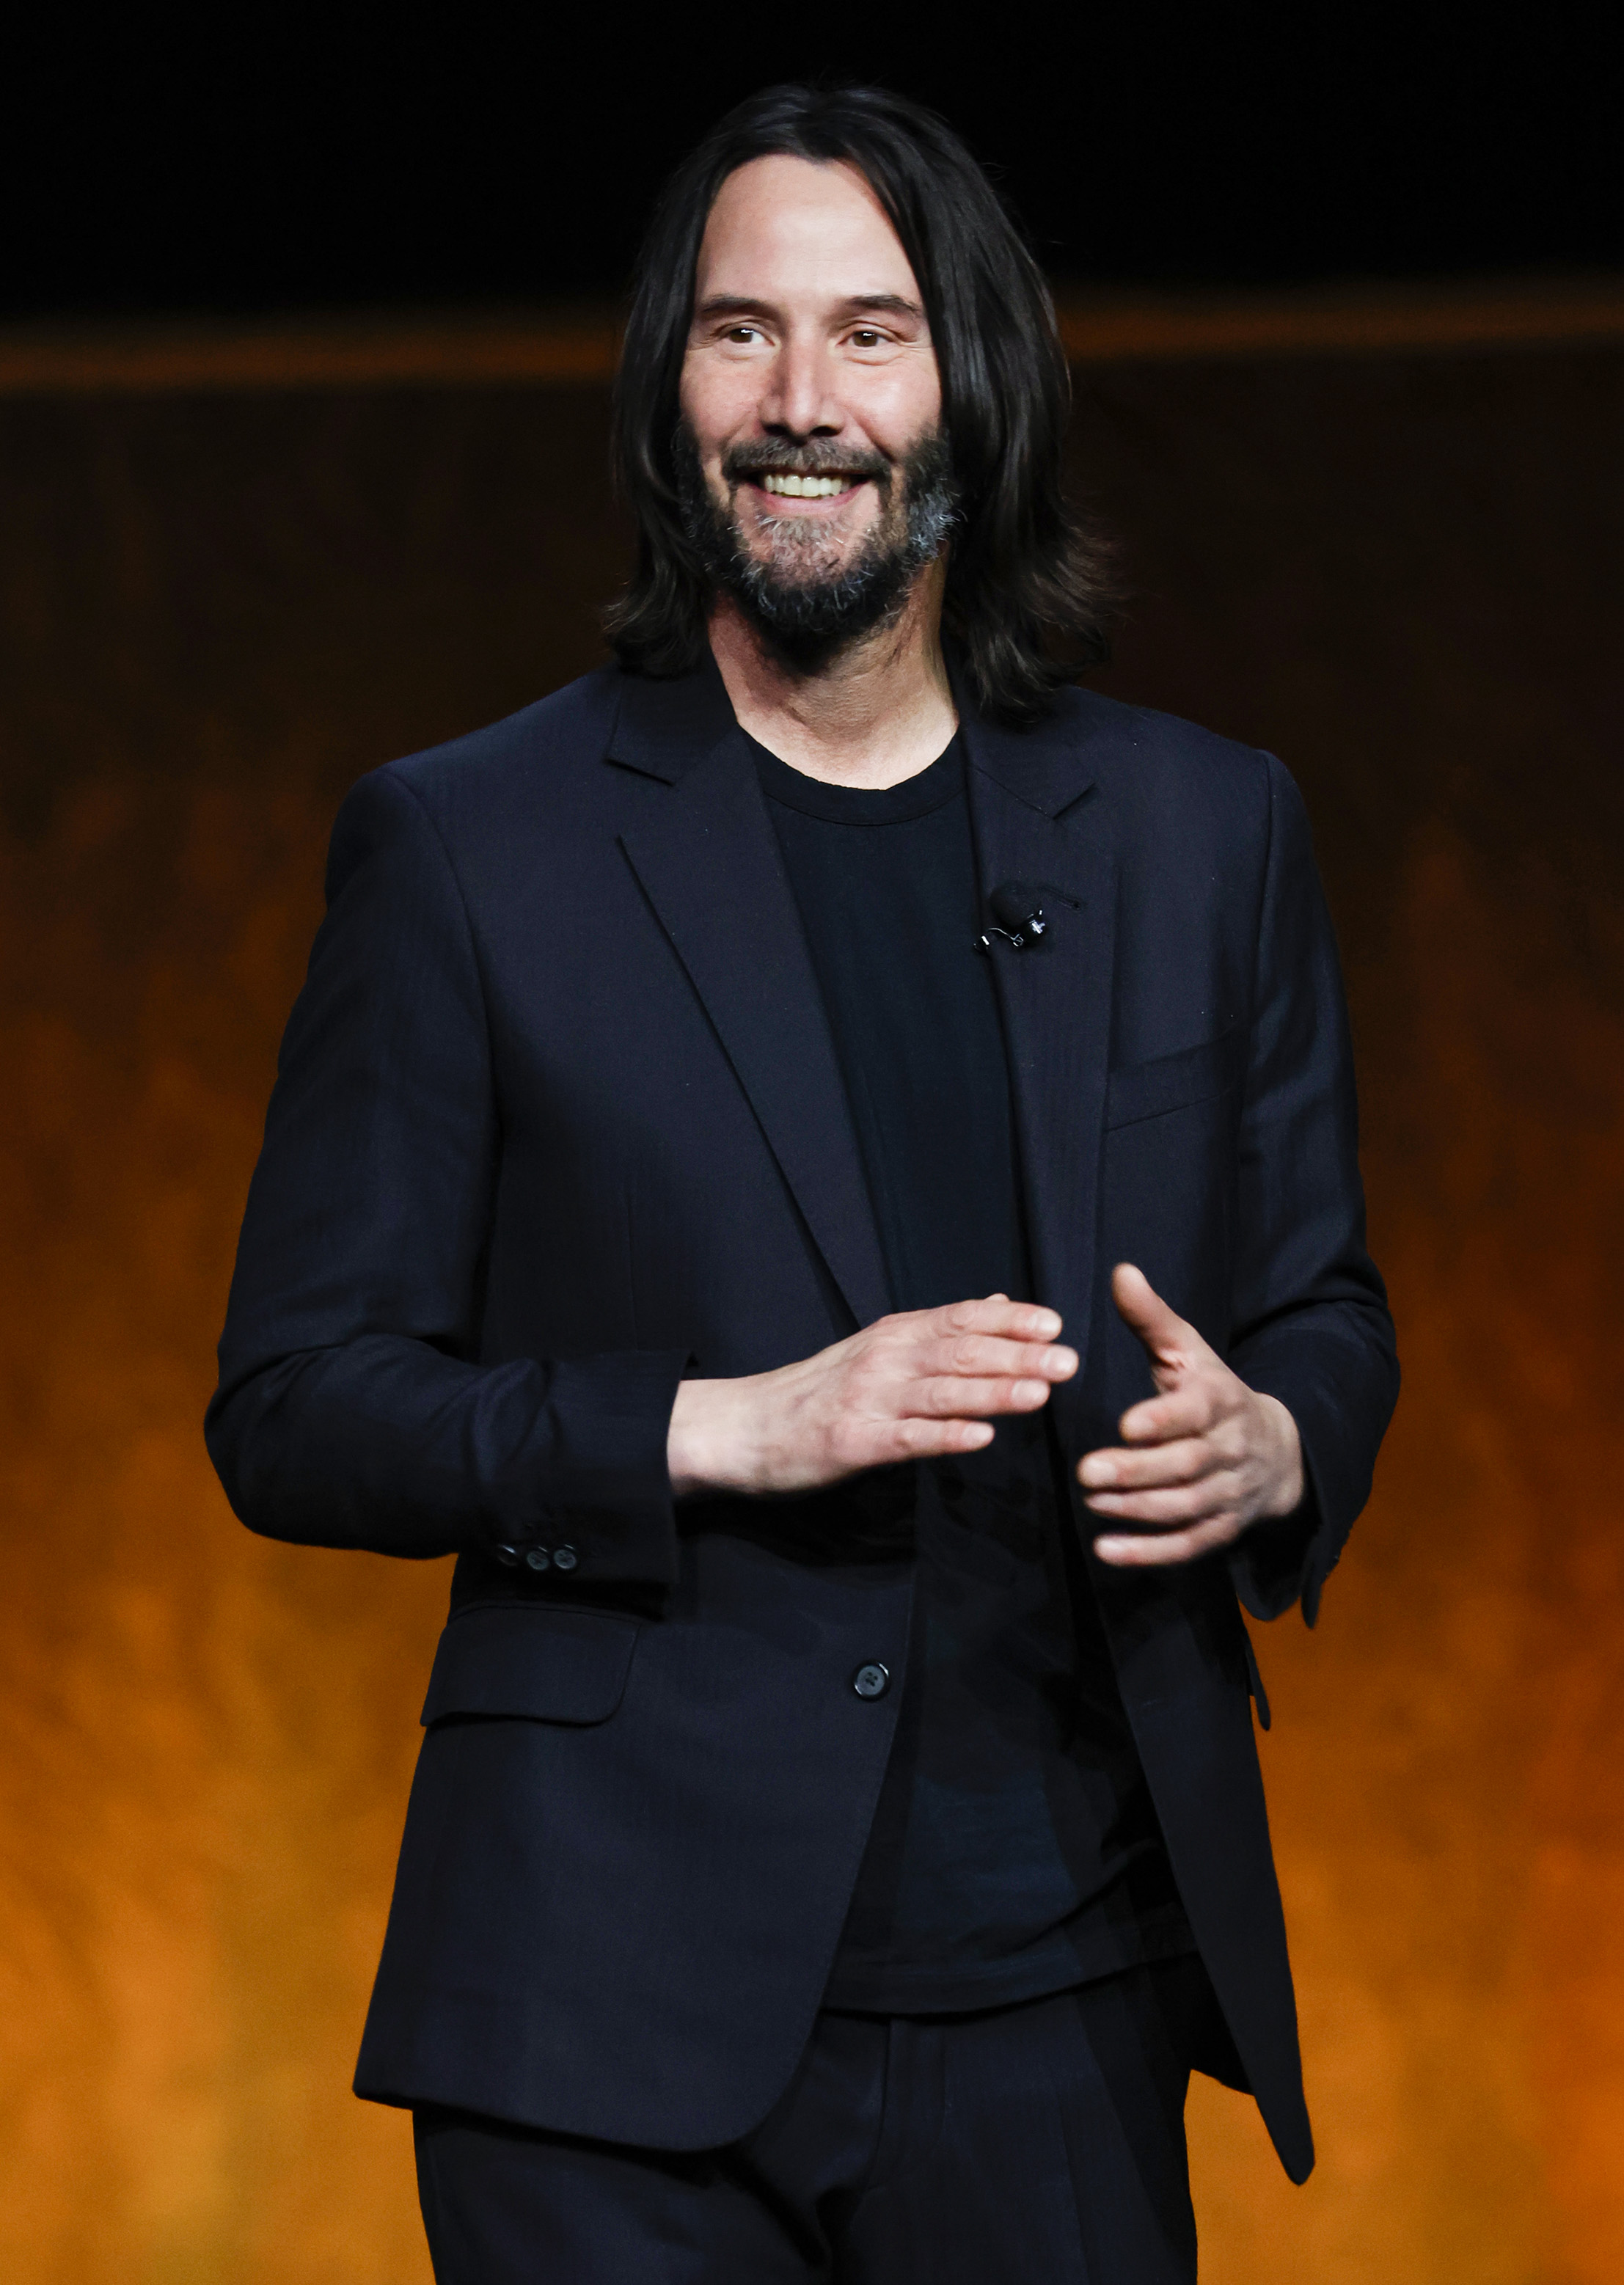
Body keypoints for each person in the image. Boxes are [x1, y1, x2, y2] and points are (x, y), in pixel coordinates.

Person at [207, 81, 1398, 2285]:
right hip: (605, 2027)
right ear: (670, 401)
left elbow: (1328, 1301)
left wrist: (1280, 1435)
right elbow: (292, 1400)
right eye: (739, 335)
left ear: (975, 389)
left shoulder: (1201, 831)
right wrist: (723, 1424)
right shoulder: (472, 846)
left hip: (1070, 1990)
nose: (801, 401)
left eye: (870, 332)